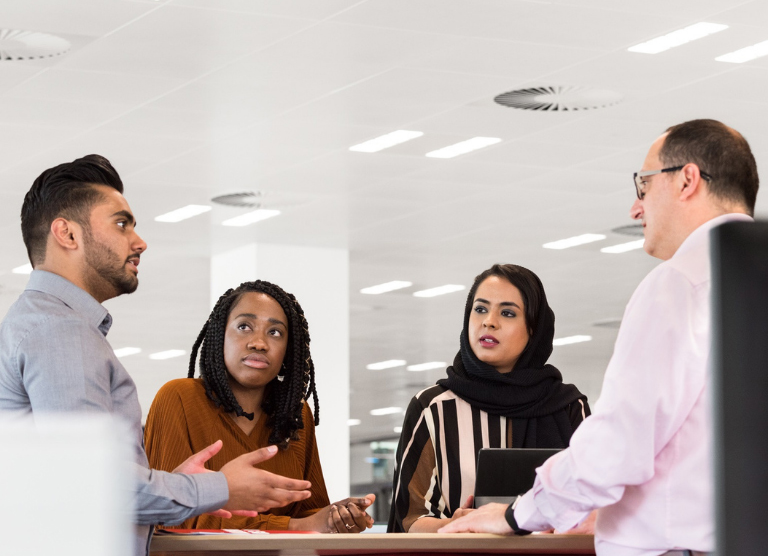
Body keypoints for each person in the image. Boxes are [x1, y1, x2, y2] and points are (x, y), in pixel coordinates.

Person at [441, 119, 760, 556]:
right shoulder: (750, 282)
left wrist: (517, 514)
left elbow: (620, 442)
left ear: (687, 180)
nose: (636, 208)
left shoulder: (679, 283)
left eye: (643, 185)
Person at [0, 155, 314, 556]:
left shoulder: (42, 322)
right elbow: (92, 486)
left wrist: (171, 484)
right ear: (67, 234)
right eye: (121, 223)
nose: (139, 241)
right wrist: (219, 488)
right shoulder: (60, 330)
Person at [145, 280, 375, 533]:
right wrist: (297, 525)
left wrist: (333, 517)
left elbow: (308, 510)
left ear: (288, 350)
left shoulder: (295, 414)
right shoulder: (179, 398)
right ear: (220, 333)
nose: (259, 343)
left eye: (275, 332)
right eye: (244, 326)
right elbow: (171, 516)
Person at [388, 263, 590, 533]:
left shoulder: (568, 406)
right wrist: (456, 525)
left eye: (507, 313)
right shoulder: (433, 408)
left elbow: (594, 498)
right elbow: (409, 518)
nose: (489, 321)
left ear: (534, 328)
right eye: (480, 309)